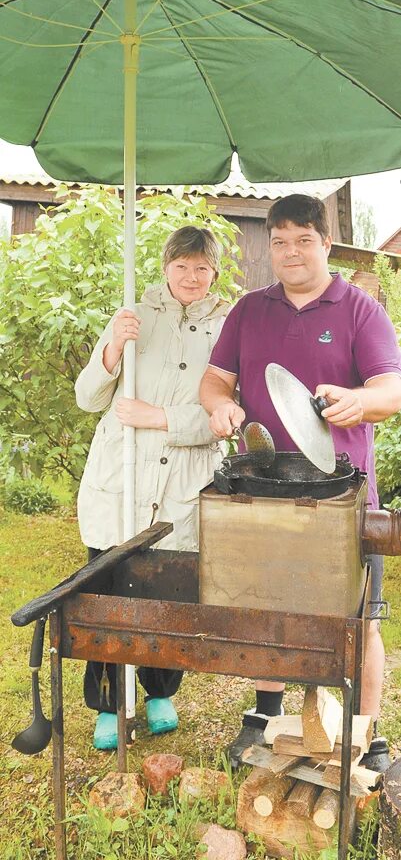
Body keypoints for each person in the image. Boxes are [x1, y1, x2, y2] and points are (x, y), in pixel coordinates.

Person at [199, 193, 401, 770]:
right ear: (271, 246)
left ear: (326, 244)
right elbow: (215, 381)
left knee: (359, 615)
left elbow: (392, 391)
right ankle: (265, 715)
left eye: (303, 240)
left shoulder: (360, 309)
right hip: (262, 485)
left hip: (340, 492)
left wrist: (356, 400)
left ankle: (365, 730)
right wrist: (220, 407)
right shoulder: (249, 309)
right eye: (280, 241)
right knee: (261, 603)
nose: (291, 253)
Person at [75, 224, 229, 749]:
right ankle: (108, 704)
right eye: (182, 266)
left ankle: (160, 691)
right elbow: (88, 397)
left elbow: (226, 414)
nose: (191, 276)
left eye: (202, 268)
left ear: (215, 273)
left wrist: (158, 416)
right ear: (166, 267)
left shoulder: (228, 328)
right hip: (122, 478)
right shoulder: (132, 314)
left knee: (169, 594)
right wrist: (113, 347)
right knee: (105, 592)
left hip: (183, 480)